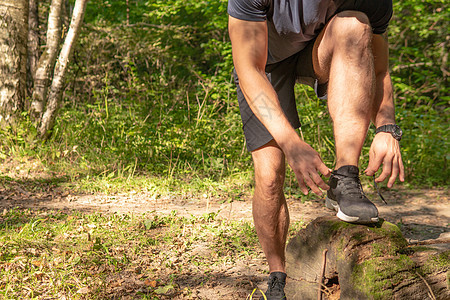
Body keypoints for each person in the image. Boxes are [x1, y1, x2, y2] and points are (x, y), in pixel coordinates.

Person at [227, 0, 405, 299]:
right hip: (263, 65)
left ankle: (344, 179)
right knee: (269, 176)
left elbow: (380, 68)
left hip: (316, 51)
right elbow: (249, 70)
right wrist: (290, 142)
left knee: (354, 25)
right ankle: (277, 276)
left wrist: (387, 127)